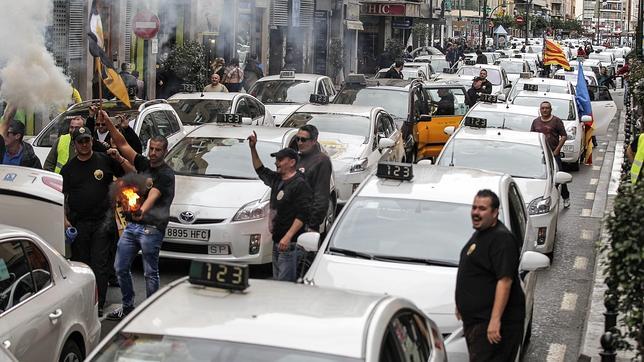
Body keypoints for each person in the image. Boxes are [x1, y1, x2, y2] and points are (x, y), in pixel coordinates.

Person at [102, 110, 175, 321]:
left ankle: (151, 309)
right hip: (133, 227)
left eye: (157, 150)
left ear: (164, 151)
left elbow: (154, 193)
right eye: (151, 148)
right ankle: (127, 306)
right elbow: (123, 144)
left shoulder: (166, 174)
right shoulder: (144, 164)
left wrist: (142, 210)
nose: (153, 153)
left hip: (152, 228)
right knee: (120, 267)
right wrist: (108, 122)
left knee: (150, 272)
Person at [60, 126, 126, 316]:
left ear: (91, 141)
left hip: (102, 223)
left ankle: (98, 304)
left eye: (87, 140)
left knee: (99, 265)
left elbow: (126, 173)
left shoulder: (103, 159)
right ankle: (83, 304)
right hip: (79, 224)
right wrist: (65, 221)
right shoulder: (68, 169)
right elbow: (61, 197)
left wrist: (118, 157)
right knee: (81, 266)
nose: (84, 144)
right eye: (80, 141)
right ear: (75, 145)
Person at [455, 189, 525, 361]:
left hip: (491, 326)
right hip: (477, 322)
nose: (476, 213)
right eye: (474, 207)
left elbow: (505, 281)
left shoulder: (502, 239)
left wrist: (495, 321)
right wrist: (462, 304)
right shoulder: (482, 233)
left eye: (482, 209)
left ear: (495, 213)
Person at [248, 131, 312, 281]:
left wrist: (288, 237)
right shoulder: (277, 179)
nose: (276, 163)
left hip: (290, 245)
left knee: (284, 287)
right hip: (278, 242)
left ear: (292, 162)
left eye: (280, 160)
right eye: (276, 160)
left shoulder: (300, 184)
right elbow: (260, 170)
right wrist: (253, 148)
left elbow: (303, 214)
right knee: (278, 283)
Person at [530, 101, 570, 208]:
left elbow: (564, 136)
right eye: (542, 108)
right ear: (540, 109)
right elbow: (532, 137)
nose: (545, 110)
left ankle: (565, 197)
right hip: (539, 155)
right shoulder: (535, 122)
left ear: (551, 109)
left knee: (559, 176)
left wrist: (557, 150)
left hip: (553, 154)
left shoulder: (556, 121)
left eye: (547, 108)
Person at [293, 125, 332, 232]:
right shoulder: (296, 159)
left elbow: (321, 197)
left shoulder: (321, 161)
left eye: (303, 140)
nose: (300, 142)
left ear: (314, 141)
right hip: (291, 224)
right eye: (298, 139)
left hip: (306, 225)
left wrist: (312, 225)